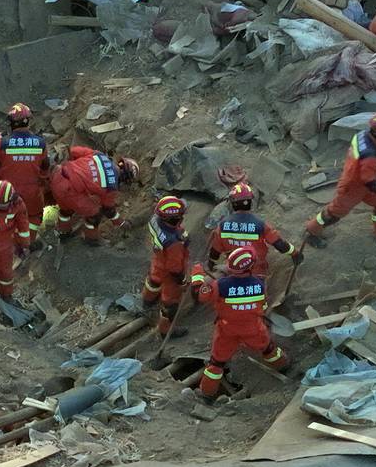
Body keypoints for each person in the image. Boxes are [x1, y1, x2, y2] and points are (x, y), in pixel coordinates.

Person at [190, 247, 289, 401]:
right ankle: (283, 366)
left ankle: (206, 394)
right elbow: (261, 306)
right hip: (254, 328)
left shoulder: (220, 285)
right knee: (268, 348)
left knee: (216, 363)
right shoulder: (259, 284)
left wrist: (197, 274)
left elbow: (200, 296)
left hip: (227, 330)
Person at [305, 113, 376, 246]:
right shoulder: (370, 157)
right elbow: (370, 182)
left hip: (356, 179)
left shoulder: (361, 136)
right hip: (352, 188)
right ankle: (311, 232)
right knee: (333, 214)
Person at [207, 182, 302, 277]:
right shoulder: (260, 225)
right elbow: (279, 244)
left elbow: (215, 250)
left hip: (234, 271)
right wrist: (295, 253)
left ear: (233, 203)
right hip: (257, 272)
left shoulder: (223, 226)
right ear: (250, 202)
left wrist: (211, 263)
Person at [49, 147, 139, 245]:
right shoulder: (111, 187)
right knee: (95, 214)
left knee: (66, 209)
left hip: (57, 176)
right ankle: (91, 238)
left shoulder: (99, 155)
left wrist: (76, 168)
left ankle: (63, 231)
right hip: (69, 192)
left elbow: (74, 151)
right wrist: (120, 223)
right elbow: (108, 210)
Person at [0, 103, 50, 244]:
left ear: (11, 123)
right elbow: (45, 168)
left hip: (8, 191)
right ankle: (28, 242)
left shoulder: (2, 143)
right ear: (28, 121)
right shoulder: (40, 143)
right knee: (34, 216)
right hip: (32, 191)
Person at [142, 196, 190, 338]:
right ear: (175, 219)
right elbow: (175, 268)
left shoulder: (155, 220)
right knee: (170, 302)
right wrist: (181, 280)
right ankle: (165, 330)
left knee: (153, 281)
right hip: (170, 269)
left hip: (158, 260)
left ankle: (147, 302)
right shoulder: (174, 243)